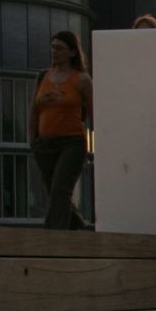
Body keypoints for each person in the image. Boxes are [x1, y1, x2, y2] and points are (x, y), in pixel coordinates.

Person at [30, 30, 92, 229]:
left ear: (72, 52)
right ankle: (79, 229)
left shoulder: (81, 79)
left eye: (60, 48)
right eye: (53, 47)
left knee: (60, 190)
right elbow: (34, 110)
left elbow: (93, 112)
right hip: (45, 143)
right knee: (56, 193)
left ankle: (53, 237)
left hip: (71, 142)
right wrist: (33, 140)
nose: (54, 51)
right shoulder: (43, 77)